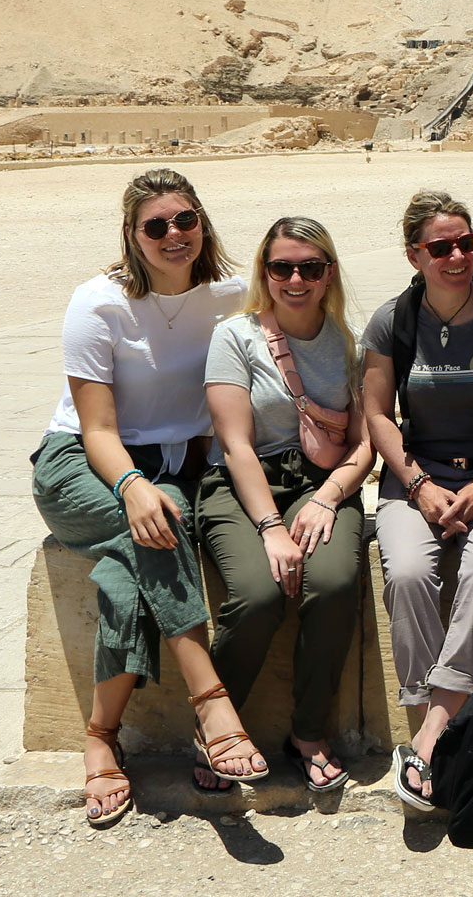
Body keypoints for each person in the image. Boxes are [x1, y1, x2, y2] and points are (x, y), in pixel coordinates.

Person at [30, 169, 260, 825]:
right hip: (82, 466)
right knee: (158, 521)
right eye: (155, 226)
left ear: (203, 223)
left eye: (185, 220)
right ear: (132, 236)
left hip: (170, 471)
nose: (173, 235)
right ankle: (211, 702)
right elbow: (97, 428)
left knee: (134, 567)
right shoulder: (98, 304)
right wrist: (130, 486)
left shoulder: (230, 296)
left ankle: (101, 738)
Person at [361, 191, 473, 809]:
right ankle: (428, 732)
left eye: (467, 242)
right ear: (415, 255)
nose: (457, 255)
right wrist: (418, 485)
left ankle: (432, 735)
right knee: (408, 573)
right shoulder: (393, 320)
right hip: (417, 477)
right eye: (441, 247)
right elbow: (379, 416)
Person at [198, 216, 372, 793]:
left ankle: (308, 732)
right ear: (265, 273)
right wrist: (272, 527)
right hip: (243, 486)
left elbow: (365, 444)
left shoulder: (351, 343)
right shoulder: (236, 336)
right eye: (282, 268)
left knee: (335, 584)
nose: (295, 279)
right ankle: (218, 728)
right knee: (256, 593)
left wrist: (326, 498)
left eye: (310, 268)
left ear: (328, 275)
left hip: (321, 484)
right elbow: (235, 443)